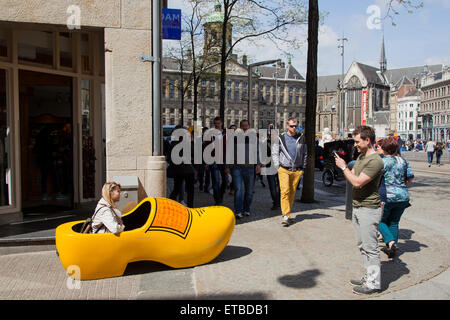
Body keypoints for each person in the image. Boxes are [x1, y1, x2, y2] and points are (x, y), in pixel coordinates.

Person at [334, 125, 384, 295]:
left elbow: (356, 182)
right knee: (362, 245)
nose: (355, 145)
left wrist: (343, 167)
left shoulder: (375, 161)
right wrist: (345, 166)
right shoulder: (362, 156)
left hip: (369, 208)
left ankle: (373, 283)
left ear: (367, 140)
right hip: (358, 206)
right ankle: (368, 275)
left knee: (371, 247)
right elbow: (352, 174)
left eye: (357, 141)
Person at [377, 137, 414, 259]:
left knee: (379, 221)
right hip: (403, 196)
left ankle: (391, 242)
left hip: (388, 196)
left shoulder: (383, 162)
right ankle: (392, 248)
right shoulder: (403, 161)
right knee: (394, 222)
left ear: (385, 149)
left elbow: (375, 178)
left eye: (380, 146)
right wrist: (401, 186)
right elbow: (410, 177)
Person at [271, 117, 307, 226]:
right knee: (285, 191)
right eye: (291, 126)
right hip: (283, 169)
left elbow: (305, 152)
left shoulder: (301, 137)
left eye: (295, 126)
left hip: (297, 169)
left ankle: (288, 213)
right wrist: (277, 165)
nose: (294, 128)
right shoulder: (280, 138)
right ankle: (285, 215)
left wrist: (303, 167)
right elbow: (274, 152)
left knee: (292, 192)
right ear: (287, 126)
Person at [226, 119, 260, 219]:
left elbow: (257, 152)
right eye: (243, 126)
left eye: (246, 126)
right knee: (238, 190)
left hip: (250, 168)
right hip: (237, 168)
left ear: (249, 127)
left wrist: (258, 164)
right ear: (240, 127)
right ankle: (238, 211)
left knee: (249, 191)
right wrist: (227, 166)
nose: (245, 128)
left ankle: (246, 209)